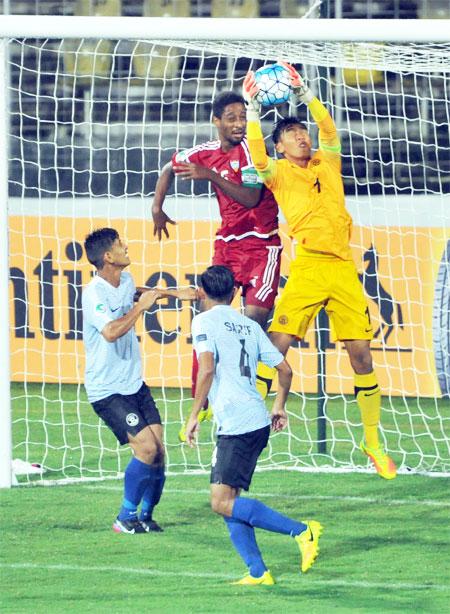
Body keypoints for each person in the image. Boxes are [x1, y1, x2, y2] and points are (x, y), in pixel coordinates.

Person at [242, 63, 397, 480]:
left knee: (361, 354)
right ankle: (248, 422)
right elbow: (256, 154)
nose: (301, 136)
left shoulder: (327, 163)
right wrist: (253, 112)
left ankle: (371, 439)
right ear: (280, 147)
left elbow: (329, 131)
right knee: (277, 343)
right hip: (308, 265)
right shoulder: (276, 173)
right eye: (292, 135)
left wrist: (307, 93)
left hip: (342, 268)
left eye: (302, 131)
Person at [152, 91, 282, 439]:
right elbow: (169, 167)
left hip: (262, 245)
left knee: (253, 321)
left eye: (244, 117)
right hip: (226, 245)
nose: (239, 124)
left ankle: (250, 396)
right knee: (207, 320)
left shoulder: (255, 151)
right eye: (232, 117)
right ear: (217, 120)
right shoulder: (204, 152)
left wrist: (209, 175)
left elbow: (251, 197)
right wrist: (156, 207)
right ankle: (204, 401)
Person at [185, 265, 323, 585]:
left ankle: (303, 531)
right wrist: (279, 406)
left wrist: (194, 414)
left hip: (237, 424)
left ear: (202, 291)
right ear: (235, 293)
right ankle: (258, 572)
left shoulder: (203, 320)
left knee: (221, 501)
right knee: (228, 502)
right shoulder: (249, 326)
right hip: (255, 419)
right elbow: (285, 370)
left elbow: (206, 369)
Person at [82, 227, 196, 533]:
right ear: (108, 256)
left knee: (158, 452)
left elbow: (139, 293)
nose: (127, 247)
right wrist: (139, 309)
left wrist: (174, 294)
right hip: (107, 390)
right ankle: (124, 517)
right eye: (121, 245)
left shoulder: (126, 280)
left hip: (133, 382)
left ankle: (145, 516)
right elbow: (109, 332)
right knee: (145, 449)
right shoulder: (93, 293)